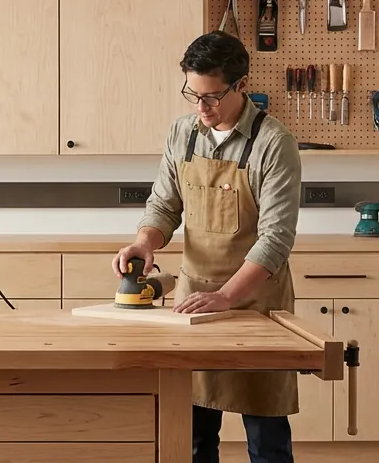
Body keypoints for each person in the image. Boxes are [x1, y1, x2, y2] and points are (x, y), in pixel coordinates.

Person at [112, 31, 302, 463]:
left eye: (212, 97)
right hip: (192, 303)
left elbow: (276, 238)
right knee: (192, 436)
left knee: (266, 438)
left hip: (257, 304)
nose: (201, 108)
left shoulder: (274, 143)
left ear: (240, 84)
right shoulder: (183, 133)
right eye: (192, 95)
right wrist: (145, 242)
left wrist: (226, 297)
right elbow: (164, 203)